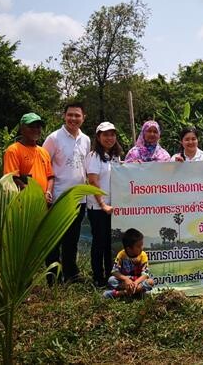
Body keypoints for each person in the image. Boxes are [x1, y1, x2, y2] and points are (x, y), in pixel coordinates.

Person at [42, 102, 91, 284]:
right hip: (58, 197)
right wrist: (46, 192)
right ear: (64, 116)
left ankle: (71, 273)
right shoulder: (53, 138)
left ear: (83, 118)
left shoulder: (85, 139)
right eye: (70, 115)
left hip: (79, 198)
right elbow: (43, 166)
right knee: (54, 240)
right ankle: (53, 278)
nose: (73, 119)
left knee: (72, 239)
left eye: (77, 115)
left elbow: (86, 168)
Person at [86, 122, 123, 287]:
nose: (109, 138)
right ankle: (97, 277)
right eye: (105, 135)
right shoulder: (94, 156)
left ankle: (110, 274)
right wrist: (103, 205)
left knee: (110, 243)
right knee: (99, 242)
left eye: (112, 134)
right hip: (98, 207)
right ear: (98, 137)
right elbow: (93, 182)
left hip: (112, 207)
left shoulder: (115, 156)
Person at [3, 112, 54, 201]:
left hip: (43, 203)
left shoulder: (44, 151)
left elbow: (50, 177)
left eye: (38, 127)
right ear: (22, 129)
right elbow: (12, 178)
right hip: (24, 202)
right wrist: (33, 193)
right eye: (31, 126)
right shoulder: (13, 150)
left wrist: (48, 192)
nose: (35, 129)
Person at [103, 228, 155, 298]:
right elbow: (115, 272)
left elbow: (145, 274)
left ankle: (121, 293)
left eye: (142, 245)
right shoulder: (121, 254)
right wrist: (126, 279)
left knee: (151, 281)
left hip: (138, 280)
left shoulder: (143, 255)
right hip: (125, 281)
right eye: (139, 246)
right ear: (129, 248)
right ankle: (137, 292)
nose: (142, 248)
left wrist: (135, 283)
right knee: (111, 280)